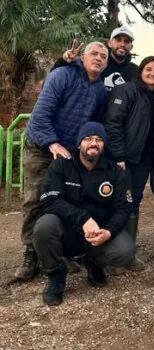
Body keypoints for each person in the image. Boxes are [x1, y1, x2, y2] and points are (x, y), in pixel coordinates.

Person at [15, 42, 108, 281]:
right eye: (94, 54)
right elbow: (41, 114)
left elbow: (91, 125)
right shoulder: (62, 75)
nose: (98, 58)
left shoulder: (99, 90)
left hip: (68, 152)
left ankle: (58, 251)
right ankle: (30, 253)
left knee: (65, 200)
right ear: (83, 58)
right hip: (42, 147)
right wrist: (52, 143)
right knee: (36, 198)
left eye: (103, 56)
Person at [32, 122, 134, 306]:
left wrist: (108, 232)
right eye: (87, 139)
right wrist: (83, 218)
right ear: (79, 143)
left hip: (98, 233)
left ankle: (94, 263)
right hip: (68, 229)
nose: (93, 143)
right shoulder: (62, 166)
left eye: (98, 139)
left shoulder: (115, 172)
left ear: (104, 145)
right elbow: (49, 200)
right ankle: (56, 276)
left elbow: (123, 208)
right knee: (44, 227)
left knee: (125, 250)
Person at [104, 56, 154, 272]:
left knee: (134, 201)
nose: (153, 74)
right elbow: (113, 122)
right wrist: (118, 156)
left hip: (143, 159)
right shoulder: (127, 90)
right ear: (141, 71)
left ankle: (128, 252)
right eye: (149, 69)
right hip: (124, 158)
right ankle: (113, 255)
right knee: (118, 201)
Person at [55, 26, 138, 91]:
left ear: (131, 47)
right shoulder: (95, 62)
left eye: (126, 41)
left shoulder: (136, 71)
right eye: (118, 40)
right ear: (109, 43)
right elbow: (56, 76)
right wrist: (64, 60)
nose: (122, 44)